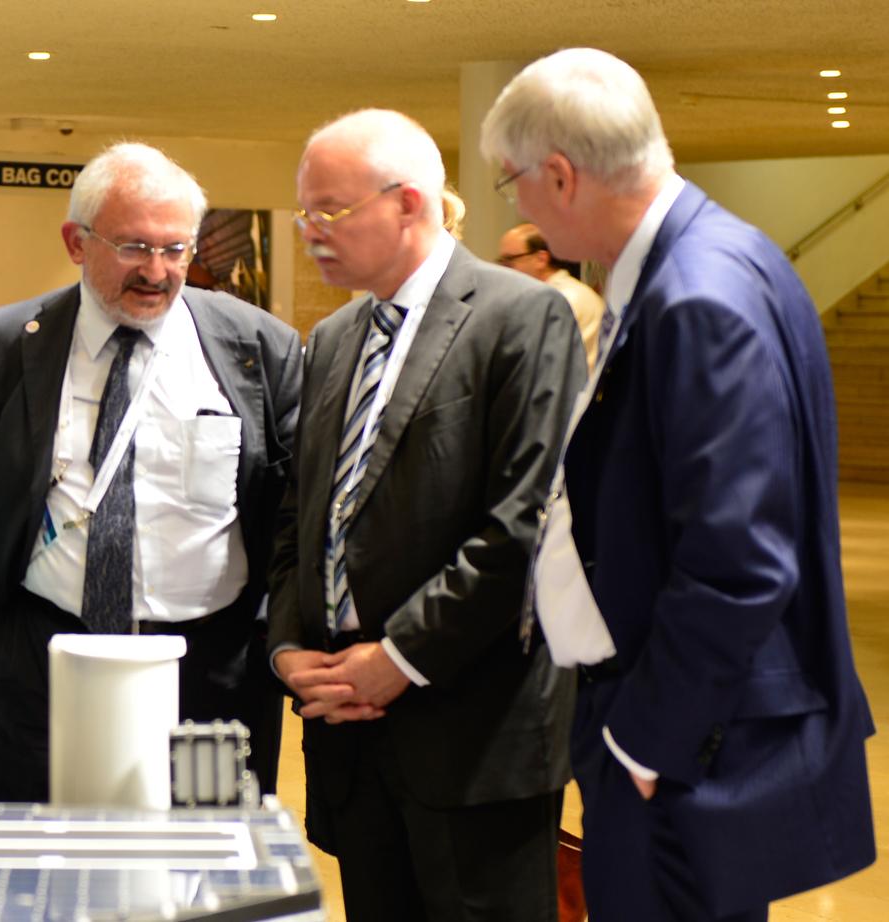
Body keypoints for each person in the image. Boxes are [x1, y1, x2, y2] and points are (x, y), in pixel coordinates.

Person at [484, 48, 876, 921]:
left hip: (682, 743)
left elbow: (740, 562)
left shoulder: (695, 294)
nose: (517, 208)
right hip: (678, 728)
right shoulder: (708, 258)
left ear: (561, 175)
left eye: (513, 183)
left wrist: (645, 740)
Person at [266, 109, 584, 921]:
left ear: (408, 202)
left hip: (472, 735)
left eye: (328, 211)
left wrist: (399, 657)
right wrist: (290, 646)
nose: (309, 232)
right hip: (349, 735)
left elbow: (520, 526)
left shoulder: (521, 317)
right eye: (304, 212)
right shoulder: (333, 337)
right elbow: (302, 515)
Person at [0, 142, 301, 803]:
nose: (157, 270)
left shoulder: (259, 347)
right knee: (54, 859)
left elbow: (295, 512)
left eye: (175, 249)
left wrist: (271, 635)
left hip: (212, 673)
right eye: (133, 247)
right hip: (46, 663)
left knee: (206, 860)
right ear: (76, 242)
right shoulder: (4, 345)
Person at [498, 222, 607, 370]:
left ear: (541, 259)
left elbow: (537, 365)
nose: (503, 270)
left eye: (510, 261)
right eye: (501, 262)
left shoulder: (561, 299)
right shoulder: (555, 295)